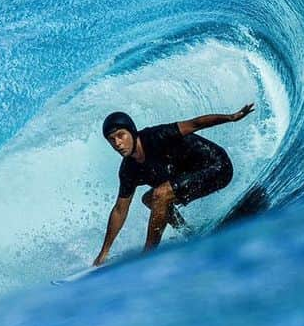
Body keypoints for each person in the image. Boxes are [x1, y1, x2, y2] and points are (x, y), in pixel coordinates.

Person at [92, 103, 255, 266]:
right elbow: (120, 210)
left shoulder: (157, 136)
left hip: (218, 166)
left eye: (121, 135)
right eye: (112, 140)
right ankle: (187, 232)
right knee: (149, 199)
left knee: (160, 195)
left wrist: (231, 117)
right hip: (191, 177)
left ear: (132, 132)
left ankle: (149, 254)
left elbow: (195, 124)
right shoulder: (129, 169)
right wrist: (104, 252)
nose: (117, 143)